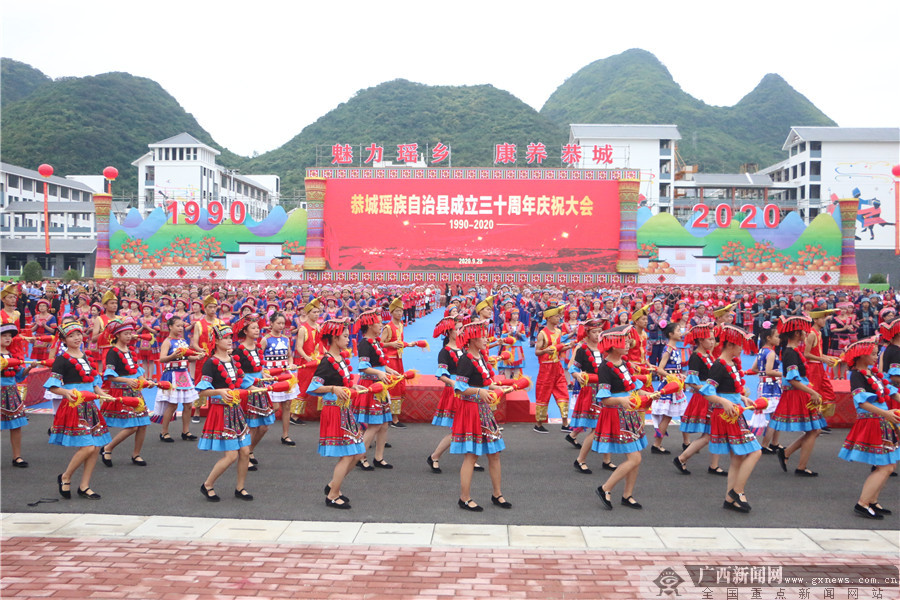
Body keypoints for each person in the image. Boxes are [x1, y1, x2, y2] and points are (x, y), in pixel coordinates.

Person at [698, 324, 762, 513]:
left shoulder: (730, 363)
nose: (742, 348)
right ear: (731, 345)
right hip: (728, 415)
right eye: (740, 344)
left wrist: (741, 397)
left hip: (734, 412)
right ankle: (737, 491)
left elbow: (727, 390)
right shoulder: (719, 365)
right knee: (755, 452)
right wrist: (724, 402)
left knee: (737, 457)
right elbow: (707, 392)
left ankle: (729, 498)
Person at [45, 319, 111, 500]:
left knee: (96, 446)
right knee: (88, 446)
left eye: (78, 334)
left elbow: (93, 382)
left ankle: (85, 486)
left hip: (91, 405)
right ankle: (65, 476)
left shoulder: (86, 357)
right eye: (71, 335)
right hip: (74, 405)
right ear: (64, 340)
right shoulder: (61, 359)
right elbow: (52, 386)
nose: (76, 338)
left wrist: (103, 395)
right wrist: (66, 392)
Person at [307, 318, 367, 509]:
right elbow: (314, 387)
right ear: (334, 338)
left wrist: (352, 386)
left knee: (358, 453)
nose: (349, 339)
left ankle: (334, 485)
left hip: (345, 409)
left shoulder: (340, 358)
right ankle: (332, 494)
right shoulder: (327, 361)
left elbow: (342, 385)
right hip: (335, 411)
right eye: (345, 336)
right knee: (349, 455)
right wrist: (333, 388)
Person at [452, 320, 510, 511]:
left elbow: (486, 382)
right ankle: (464, 497)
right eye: (483, 336)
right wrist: (479, 392)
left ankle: (497, 494)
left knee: (494, 453)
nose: (487, 339)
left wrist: (499, 387)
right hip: (471, 410)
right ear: (473, 338)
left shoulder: (480, 357)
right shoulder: (466, 359)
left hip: (484, 410)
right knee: (472, 455)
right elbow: (459, 389)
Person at [593, 325, 653, 510]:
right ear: (612, 344)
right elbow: (604, 398)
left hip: (631, 413)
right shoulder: (605, 367)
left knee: (637, 456)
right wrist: (621, 399)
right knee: (634, 458)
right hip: (617, 416)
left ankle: (627, 495)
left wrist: (648, 393)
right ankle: (605, 488)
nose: (628, 343)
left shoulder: (624, 363)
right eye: (624, 340)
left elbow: (632, 387)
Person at [196, 323, 254, 502]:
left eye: (231, 338)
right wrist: (219, 392)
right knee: (231, 455)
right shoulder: (211, 363)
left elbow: (243, 383)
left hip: (236, 411)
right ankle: (207, 484)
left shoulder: (233, 361)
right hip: (221, 412)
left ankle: (240, 488)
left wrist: (262, 388)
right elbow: (202, 390)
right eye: (226, 338)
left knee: (245, 452)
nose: (230, 341)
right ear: (216, 341)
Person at [771, 315, 826, 476]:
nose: (805, 334)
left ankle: (787, 454)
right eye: (803, 331)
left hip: (802, 392)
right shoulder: (790, 353)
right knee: (814, 429)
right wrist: (813, 392)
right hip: (799, 393)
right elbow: (793, 379)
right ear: (797, 334)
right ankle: (800, 465)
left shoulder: (792, 351)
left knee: (814, 430)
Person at [99, 318, 151, 468]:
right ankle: (108, 448)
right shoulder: (112, 352)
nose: (129, 336)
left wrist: (145, 381)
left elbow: (137, 371)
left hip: (135, 391)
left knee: (143, 424)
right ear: (117, 335)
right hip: (122, 390)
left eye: (130, 333)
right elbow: (109, 375)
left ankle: (136, 454)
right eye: (126, 334)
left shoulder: (131, 351)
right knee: (133, 425)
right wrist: (127, 381)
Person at [674, 324, 725, 476]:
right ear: (701, 340)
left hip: (711, 395)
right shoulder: (696, 357)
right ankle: (683, 458)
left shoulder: (709, 355)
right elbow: (691, 382)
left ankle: (713, 465)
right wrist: (707, 389)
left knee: (714, 432)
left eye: (713, 338)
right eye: (709, 339)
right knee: (710, 433)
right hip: (705, 398)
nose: (712, 341)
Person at [353, 308, 400, 470]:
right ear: (370, 325)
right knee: (373, 425)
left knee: (384, 424)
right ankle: (360, 456)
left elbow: (379, 363)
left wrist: (389, 370)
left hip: (380, 386)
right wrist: (380, 372)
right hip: (371, 386)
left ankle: (378, 457)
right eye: (378, 322)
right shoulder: (365, 343)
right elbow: (363, 367)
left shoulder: (376, 342)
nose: (381, 325)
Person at [232, 314, 276, 471]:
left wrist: (265, 374)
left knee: (263, 427)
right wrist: (251, 386)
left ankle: (249, 451)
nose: (257, 330)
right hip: (249, 390)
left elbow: (259, 367)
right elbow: (239, 373)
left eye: (258, 327)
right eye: (253, 328)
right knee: (250, 426)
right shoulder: (239, 350)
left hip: (260, 388)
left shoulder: (257, 348)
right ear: (245, 331)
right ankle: (244, 456)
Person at [567, 318, 607, 473]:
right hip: (591, 391)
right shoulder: (582, 349)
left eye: (599, 332)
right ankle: (580, 459)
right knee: (596, 428)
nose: (598, 335)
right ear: (588, 333)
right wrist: (577, 376)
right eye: (595, 332)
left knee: (606, 425)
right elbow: (572, 368)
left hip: (605, 390)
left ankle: (607, 460)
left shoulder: (605, 348)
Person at [427, 316, 465, 474]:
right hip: (455, 391)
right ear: (449, 331)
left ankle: (471, 457)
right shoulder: (445, 352)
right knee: (458, 428)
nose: (461, 331)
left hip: (467, 388)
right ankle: (434, 456)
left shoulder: (464, 348)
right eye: (458, 328)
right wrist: (454, 383)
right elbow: (441, 375)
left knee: (469, 426)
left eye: (462, 328)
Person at [155, 314, 200, 442]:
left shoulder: (183, 341)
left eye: (182, 326)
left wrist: (196, 357)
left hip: (184, 374)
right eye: (178, 326)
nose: (181, 328)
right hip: (172, 374)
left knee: (188, 404)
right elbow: (162, 358)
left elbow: (186, 357)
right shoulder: (167, 341)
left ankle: (186, 431)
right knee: (172, 405)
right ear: (170, 327)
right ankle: (164, 432)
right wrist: (173, 355)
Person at [533, 304, 574, 433]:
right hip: (546, 368)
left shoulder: (558, 331)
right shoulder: (542, 334)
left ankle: (565, 423)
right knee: (543, 395)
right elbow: (537, 352)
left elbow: (558, 347)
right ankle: (538, 424)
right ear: (549, 318)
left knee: (563, 391)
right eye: (556, 316)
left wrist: (568, 346)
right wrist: (545, 350)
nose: (559, 318)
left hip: (557, 366)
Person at [650, 320, 688, 454]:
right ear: (671, 334)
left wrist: (679, 376)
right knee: (668, 416)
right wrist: (671, 377)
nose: (680, 333)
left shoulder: (675, 349)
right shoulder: (668, 349)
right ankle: (657, 444)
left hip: (676, 385)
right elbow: (659, 369)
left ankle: (686, 442)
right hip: (670, 386)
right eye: (678, 331)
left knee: (683, 413)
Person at [1, 323, 35, 467]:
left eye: (10, 336)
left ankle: (17, 457)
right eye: (4, 336)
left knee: (16, 425)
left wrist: (29, 368)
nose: (8, 338)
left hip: (11, 391)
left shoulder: (11, 355)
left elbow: (19, 375)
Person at [291, 298, 322, 425]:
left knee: (321, 386)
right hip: (307, 363)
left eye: (318, 312)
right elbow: (298, 347)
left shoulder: (319, 327)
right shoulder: (303, 329)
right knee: (303, 387)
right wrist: (307, 357)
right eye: (314, 312)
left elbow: (321, 343)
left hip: (319, 361)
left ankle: (323, 413)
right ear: (308, 313)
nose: (316, 314)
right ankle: (294, 415)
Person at [754, 322, 784, 453]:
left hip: (764, 385)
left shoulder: (761, 351)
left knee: (776, 415)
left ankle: (774, 442)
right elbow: (769, 370)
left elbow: (755, 368)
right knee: (776, 415)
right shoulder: (771, 353)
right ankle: (766, 444)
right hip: (771, 387)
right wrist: (782, 374)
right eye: (776, 336)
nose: (779, 339)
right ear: (769, 338)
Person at [381, 297, 408, 428]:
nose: (399, 313)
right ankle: (393, 418)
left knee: (400, 385)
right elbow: (380, 344)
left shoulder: (401, 325)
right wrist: (391, 344)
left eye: (401, 311)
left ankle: (394, 415)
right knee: (393, 386)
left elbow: (401, 342)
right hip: (390, 360)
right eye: (397, 311)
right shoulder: (388, 327)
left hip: (399, 359)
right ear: (391, 312)